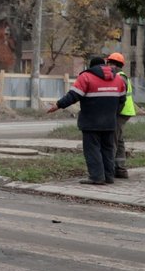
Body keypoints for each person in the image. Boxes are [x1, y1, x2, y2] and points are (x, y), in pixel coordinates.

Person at [47, 56, 127, 185]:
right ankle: (108, 176)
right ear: (104, 65)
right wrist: (113, 113)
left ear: (91, 66)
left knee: (92, 149)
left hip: (91, 122)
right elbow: (122, 100)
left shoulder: (86, 77)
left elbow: (72, 96)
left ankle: (97, 177)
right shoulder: (118, 79)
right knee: (108, 149)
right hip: (110, 122)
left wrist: (58, 105)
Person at [106, 52, 136, 179]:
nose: (107, 66)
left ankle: (109, 170)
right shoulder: (122, 76)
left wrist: (113, 111)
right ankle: (120, 169)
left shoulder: (119, 77)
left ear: (113, 64)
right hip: (125, 112)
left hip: (121, 112)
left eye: (109, 63)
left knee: (112, 141)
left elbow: (119, 98)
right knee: (119, 140)